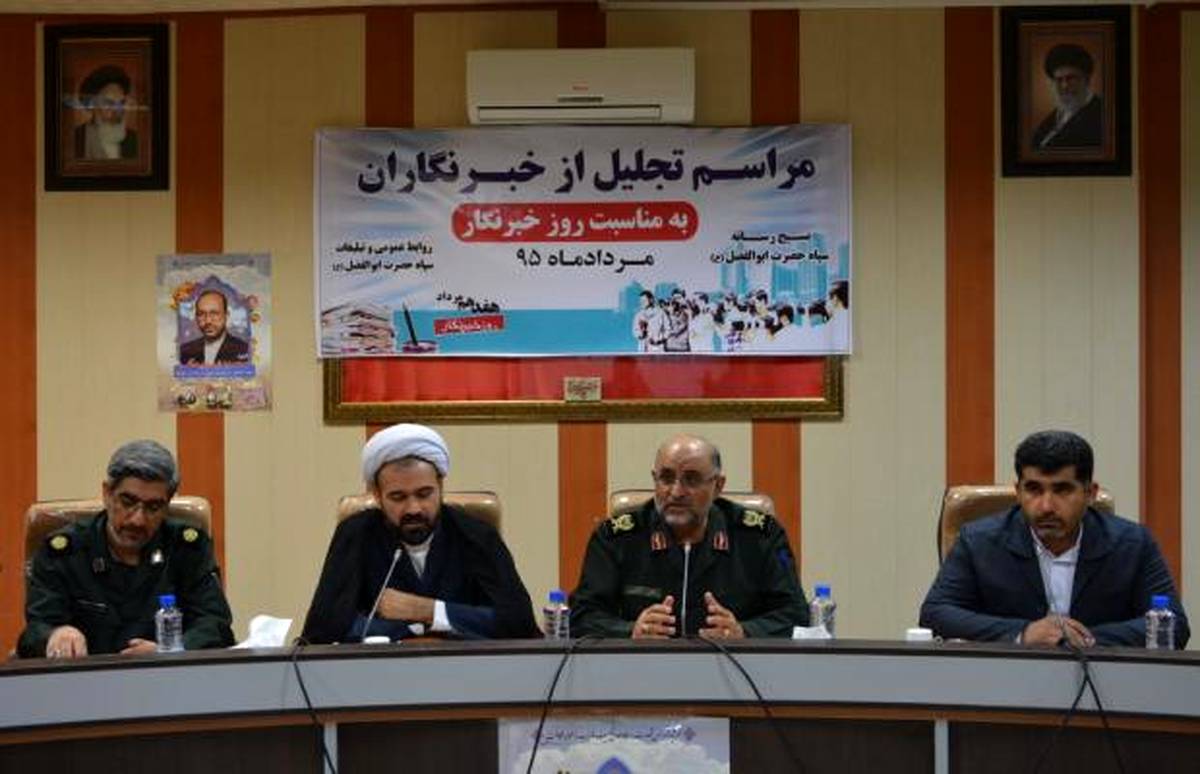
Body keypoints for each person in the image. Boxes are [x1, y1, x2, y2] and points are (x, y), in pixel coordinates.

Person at [920, 430, 1189, 648]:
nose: (1046, 506)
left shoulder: (1132, 544)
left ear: (1090, 493)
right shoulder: (979, 542)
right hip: (1007, 681)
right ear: (1018, 491)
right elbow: (935, 613)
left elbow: (1174, 625)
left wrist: (1082, 640)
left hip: (1101, 685)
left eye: (1062, 490)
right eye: (1033, 489)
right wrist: (1023, 633)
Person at [301, 423, 540, 642]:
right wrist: (419, 627)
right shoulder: (356, 535)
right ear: (377, 496)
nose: (413, 508)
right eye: (398, 497)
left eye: (424, 494)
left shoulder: (475, 535)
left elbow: (519, 623)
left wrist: (428, 610)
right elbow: (323, 630)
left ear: (441, 487)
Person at [571, 434, 809, 639]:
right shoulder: (616, 538)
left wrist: (744, 632)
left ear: (718, 486)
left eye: (691, 479)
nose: (676, 492)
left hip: (733, 669)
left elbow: (796, 614)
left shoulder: (760, 537)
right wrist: (630, 631)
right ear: (655, 479)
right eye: (666, 478)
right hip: (643, 668)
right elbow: (581, 616)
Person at [18, 441, 234, 658]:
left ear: (167, 506)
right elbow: (35, 630)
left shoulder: (187, 549)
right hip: (86, 675)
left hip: (165, 673)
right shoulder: (64, 552)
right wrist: (55, 634)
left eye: (153, 507)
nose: (138, 520)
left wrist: (169, 651)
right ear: (107, 494)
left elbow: (215, 624)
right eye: (128, 502)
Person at [1031, 44, 1103, 150]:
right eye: (1059, 80)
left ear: (1087, 80)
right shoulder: (1053, 118)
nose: (1064, 86)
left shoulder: (1102, 116)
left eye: (1071, 78)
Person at [73, 65, 138, 161]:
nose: (118, 110)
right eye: (109, 103)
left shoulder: (134, 140)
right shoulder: (75, 139)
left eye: (121, 102)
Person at [178, 289, 251, 366]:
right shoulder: (184, 351)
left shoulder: (244, 349)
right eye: (201, 314)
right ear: (196, 317)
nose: (208, 321)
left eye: (214, 313)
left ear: (226, 315)